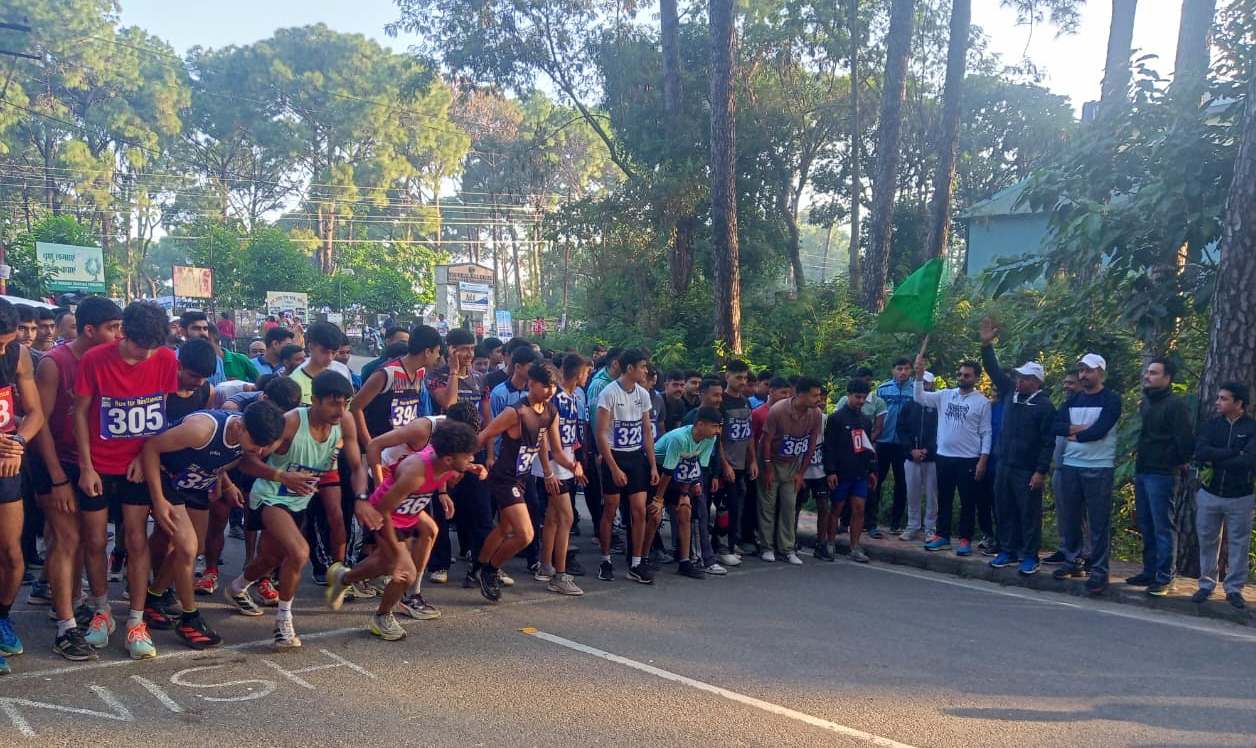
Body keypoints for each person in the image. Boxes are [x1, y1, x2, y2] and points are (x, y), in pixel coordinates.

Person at [226, 371, 368, 648]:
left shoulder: (345, 422)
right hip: (270, 495)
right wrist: (281, 476)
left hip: (299, 500)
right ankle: (283, 622)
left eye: (345, 403)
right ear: (314, 400)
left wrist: (361, 497)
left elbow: (356, 466)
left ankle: (237, 587)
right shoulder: (291, 422)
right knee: (299, 551)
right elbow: (247, 461)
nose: (340, 410)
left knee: (270, 558)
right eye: (333, 403)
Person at [73, 301, 180, 660]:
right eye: (139, 346)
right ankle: (101, 610)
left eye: (153, 347)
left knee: (136, 539)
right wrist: (86, 466)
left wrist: (143, 456)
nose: (146, 354)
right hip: (99, 464)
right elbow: (80, 413)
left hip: (137, 464)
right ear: (124, 333)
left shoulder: (166, 359)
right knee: (94, 539)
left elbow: (159, 413)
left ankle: (136, 619)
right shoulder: (95, 359)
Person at [139, 401, 286, 650]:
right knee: (187, 547)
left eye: (265, 446)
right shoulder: (201, 429)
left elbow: (227, 457)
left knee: (196, 548)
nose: (259, 451)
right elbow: (151, 447)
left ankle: (153, 597)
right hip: (168, 478)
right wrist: (158, 499)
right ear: (239, 427)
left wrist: (226, 483)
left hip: (197, 483)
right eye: (256, 444)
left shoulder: (249, 434)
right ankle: (189, 618)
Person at [29, 296, 122, 661]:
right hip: (55, 460)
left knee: (87, 539)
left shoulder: (109, 360)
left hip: (90, 461)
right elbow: (40, 424)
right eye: (112, 328)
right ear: (89, 330)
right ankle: (65, 627)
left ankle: (74, 603)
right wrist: (57, 478)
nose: (118, 335)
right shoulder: (55, 363)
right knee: (65, 538)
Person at [327, 421, 480, 639]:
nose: (471, 459)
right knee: (404, 572)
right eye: (468, 457)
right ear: (448, 459)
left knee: (390, 559)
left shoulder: (448, 462)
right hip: (384, 515)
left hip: (408, 512)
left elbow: (450, 471)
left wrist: (471, 468)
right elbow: (382, 511)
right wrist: (399, 555)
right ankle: (382, 617)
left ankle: (343, 578)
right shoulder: (415, 473)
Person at [474, 363, 573, 601]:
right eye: (545, 386)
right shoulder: (515, 412)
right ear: (531, 383)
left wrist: (572, 466)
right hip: (504, 478)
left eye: (553, 386)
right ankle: (490, 571)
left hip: (522, 478)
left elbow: (555, 450)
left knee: (505, 529)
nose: (550, 391)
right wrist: (463, 461)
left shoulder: (550, 412)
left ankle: (477, 567)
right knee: (525, 534)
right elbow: (484, 435)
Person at [979, 321, 1056, 576]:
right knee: (1004, 508)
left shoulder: (1044, 406)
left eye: (1024, 378)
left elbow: (1048, 442)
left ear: (1036, 382)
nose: (1019, 380)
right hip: (1005, 464)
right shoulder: (1010, 394)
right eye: (1018, 377)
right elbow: (993, 370)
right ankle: (1007, 550)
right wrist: (987, 345)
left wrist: (1040, 471)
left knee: (1028, 513)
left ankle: (1030, 555)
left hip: (1027, 469)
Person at [1051, 353, 1122, 594]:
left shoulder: (1111, 399)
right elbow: (1055, 425)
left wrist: (1074, 434)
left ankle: (1099, 570)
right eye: (1081, 370)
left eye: (1089, 370)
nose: (1083, 375)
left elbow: (1099, 431)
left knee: (1098, 522)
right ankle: (1073, 561)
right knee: (1071, 517)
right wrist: (1076, 429)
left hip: (1099, 466)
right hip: (1071, 464)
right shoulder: (1073, 400)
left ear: (1100, 372)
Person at [0, 300, 46, 674]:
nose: (3, 350)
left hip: (6, 464)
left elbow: (35, 413)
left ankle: (2, 616)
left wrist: (18, 441)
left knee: (12, 555)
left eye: (6, 343)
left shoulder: (18, 354)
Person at [1125, 358, 1195, 595]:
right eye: (1148, 372)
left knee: (1163, 525)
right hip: (1143, 470)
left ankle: (1165, 577)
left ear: (1168, 378)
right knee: (1146, 523)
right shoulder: (1146, 403)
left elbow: (1185, 441)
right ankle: (1150, 570)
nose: (1148, 376)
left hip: (1163, 473)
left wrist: (1171, 461)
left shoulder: (1176, 405)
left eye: (1154, 373)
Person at [913, 352, 992, 557]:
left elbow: (986, 433)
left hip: (969, 459)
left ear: (976, 378)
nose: (962, 378)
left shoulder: (982, 402)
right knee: (944, 498)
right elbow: (919, 397)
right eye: (960, 374)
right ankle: (942, 536)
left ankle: (965, 539)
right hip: (944, 457)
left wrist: (983, 461)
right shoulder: (945, 395)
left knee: (967, 501)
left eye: (967, 375)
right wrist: (919, 376)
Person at [595, 349, 658, 583]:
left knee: (639, 510)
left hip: (636, 457)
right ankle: (605, 560)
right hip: (615, 456)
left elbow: (647, 432)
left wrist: (652, 465)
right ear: (630, 368)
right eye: (642, 367)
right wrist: (613, 467)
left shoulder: (643, 394)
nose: (645, 371)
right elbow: (601, 433)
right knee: (610, 509)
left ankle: (637, 562)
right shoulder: (608, 393)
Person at [1190, 381, 1254, 610]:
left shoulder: (1252, 428)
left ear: (1239, 403)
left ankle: (1234, 588)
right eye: (1218, 397)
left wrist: (1217, 458)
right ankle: (1206, 584)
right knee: (1207, 539)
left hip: (1241, 496)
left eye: (1224, 398)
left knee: (1239, 543)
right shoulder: (1211, 426)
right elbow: (1200, 452)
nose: (1217, 402)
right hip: (1210, 493)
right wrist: (1233, 452)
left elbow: (1248, 461)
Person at [532, 354, 589, 594]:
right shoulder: (555, 398)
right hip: (554, 465)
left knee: (554, 517)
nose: (587, 376)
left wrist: (574, 461)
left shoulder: (573, 397)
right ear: (579, 373)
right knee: (566, 516)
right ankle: (560, 574)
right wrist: (548, 469)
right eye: (586, 372)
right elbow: (544, 435)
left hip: (565, 461)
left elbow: (569, 435)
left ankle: (546, 565)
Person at [645, 406, 723, 580]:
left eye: (719, 427)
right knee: (655, 514)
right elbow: (667, 471)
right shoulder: (679, 438)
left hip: (680, 471)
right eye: (714, 426)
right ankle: (643, 558)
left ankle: (685, 561)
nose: (718, 431)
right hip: (658, 471)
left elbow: (698, 466)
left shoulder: (710, 439)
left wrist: (686, 493)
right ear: (700, 425)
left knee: (685, 510)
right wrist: (658, 499)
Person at [758, 376, 823, 565]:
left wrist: (801, 472)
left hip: (793, 464)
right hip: (771, 461)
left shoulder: (816, 413)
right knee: (767, 507)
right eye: (814, 395)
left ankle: (786, 548)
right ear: (801, 395)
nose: (818, 399)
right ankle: (767, 547)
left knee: (789, 506)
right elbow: (766, 441)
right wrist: (767, 468)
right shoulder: (778, 410)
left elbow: (811, 443)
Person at [822, 378, 878, 563]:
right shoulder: (836, 418)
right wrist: (830, 471)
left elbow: (868, 446)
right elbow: (829, 446)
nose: (860, 401)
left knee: (859, 509)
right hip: (841, 473)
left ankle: (854, 547)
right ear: (849, 395)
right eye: (857, 397)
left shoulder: (865, 420)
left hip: (860, 473)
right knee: (836, 508)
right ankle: (830, 543)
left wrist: (872, 469)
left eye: (863, 398)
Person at [835, 368, 887, 537]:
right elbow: (833, 440)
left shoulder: (872, 410)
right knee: (840, 501)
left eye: (868, 379)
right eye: (857, 397)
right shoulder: (839, 412)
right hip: (844, 460)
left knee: (866, 496)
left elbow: (876, 429)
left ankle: (868, 528)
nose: (861, 401)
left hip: (865, 457)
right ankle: (838, 529)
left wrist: (870, 462)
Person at [715, 359, 756, 566]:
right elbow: (717, 438)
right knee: (724, 507)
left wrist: (753, 460)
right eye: (738, 377)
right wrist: (724, 464)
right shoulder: (721, 402)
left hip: (741, 464)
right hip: (726, 465)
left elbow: (749, 435)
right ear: (727, 376)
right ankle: (721, 547)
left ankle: (731, 543)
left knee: (737, 506)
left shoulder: (745, 402)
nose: (742, 382)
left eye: (745, 378)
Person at [1043, 372, 1083, 565]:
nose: (1067, 386)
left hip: (1078, 468)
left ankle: (1084, 554)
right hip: (1059, 469)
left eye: (1071, 383)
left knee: (1080, 515)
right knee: (1063, 513)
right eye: (1065, 382)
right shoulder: (1064, 406)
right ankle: (1064, 548)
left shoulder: (1084, 407)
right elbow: (1055, 427)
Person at [897, 371, 939, 542]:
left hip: (932, 458)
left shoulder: (938, 405)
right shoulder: (909, 405)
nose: (924, 386)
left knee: (931, 495)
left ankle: (930, 528)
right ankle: (912, 525)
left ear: (932, 385)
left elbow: (941, 431)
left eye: (927, 383)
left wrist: (928, 449)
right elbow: (901, 429)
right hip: (911, 457)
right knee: (912, 493)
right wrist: (911, 450)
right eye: (922, 383)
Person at [874, 358, 915, 535]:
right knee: (876, 480)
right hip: (883, 441)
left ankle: (895, 522)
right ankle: (870, 521)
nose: (903, 372)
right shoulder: (882, 389)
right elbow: (875, 414)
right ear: (893, 370)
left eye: (906, 368)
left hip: (903, 445)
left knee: (902, 483)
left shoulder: (915, 390)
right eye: (899, 368)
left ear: (911, 371)